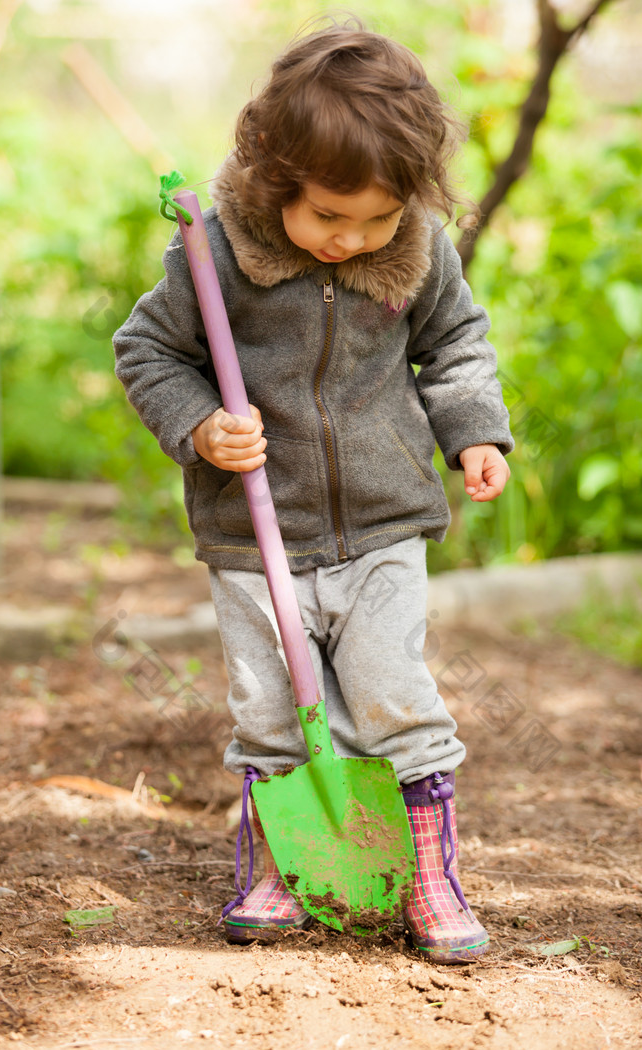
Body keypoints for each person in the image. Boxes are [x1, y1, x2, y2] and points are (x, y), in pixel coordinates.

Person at [113, 20, 513, 964]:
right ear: (276, 178)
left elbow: (453, 345)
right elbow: (150, 350)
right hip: (257, 540)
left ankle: (429, 871)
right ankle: (276, 863)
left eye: (376, 219)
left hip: (382, 525)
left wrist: (475, 432)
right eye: (330, 216)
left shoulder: (415, 247)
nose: (353, 239)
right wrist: (202, 425)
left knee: (391, 694)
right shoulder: (213, 256)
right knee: (268, 707)